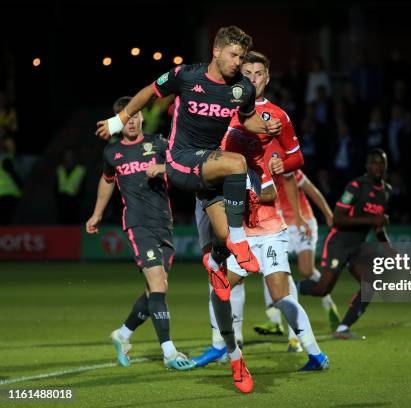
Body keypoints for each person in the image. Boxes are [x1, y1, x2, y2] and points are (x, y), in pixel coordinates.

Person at [94, 26, 282, 297]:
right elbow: (149, 92)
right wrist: (118, 120)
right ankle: (242, 243)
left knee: (222, 234)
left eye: (241, 57)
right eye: (233, 55)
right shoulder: (186, 75)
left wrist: (266, 126)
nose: (238, 63)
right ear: (216, 51)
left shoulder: (242, 88)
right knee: (238, 163)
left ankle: (215, 261)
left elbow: (247, 118)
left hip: (210, 166)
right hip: (181, 159)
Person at [191, 52, 329, 391]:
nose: (252, 78)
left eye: (259, 73)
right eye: (247, 72)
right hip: (236, 218)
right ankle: (223, 345)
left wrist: (285, 164)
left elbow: (295, 156)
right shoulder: (226, 110)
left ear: (267, 78)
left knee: (280, 294)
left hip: (265, 221)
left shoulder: (276, 116)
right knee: (220, 285)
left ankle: (314, 352)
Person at [86, 96, 194, 371]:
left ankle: (122, 335)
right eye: (125, 117)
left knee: (155, 290)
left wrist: (164, 168)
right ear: (119, 122)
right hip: (137, 224)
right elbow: (107, 180)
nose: (131, 121)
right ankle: (169, 352)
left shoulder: (158, 144)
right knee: (158, 286)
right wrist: (97, 214)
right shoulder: (112, 153)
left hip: (164, 225)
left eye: (134, 115)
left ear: (142, 117)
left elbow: (184, 169)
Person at [297, 148, 392, 339]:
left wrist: (389, 249)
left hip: (357, 247)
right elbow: (338, 218)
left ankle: (343, 328)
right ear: (367, 165)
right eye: (374, 162)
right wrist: (372, 221)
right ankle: (291, 287)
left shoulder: (386, 192)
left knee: (370, 284)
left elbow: (378, 226)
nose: (378, 167)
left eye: (382, 163)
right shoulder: (356, 186)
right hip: (338, 243)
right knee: (323, 289)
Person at [253, 168, 341, 335]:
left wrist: (328, 215)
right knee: (270, 269)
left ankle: (328, 303)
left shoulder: (288, 170)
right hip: (280, 226)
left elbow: (312, 191)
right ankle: (274, 320)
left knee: (306, 270)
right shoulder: (260, 172)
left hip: (303, 222)